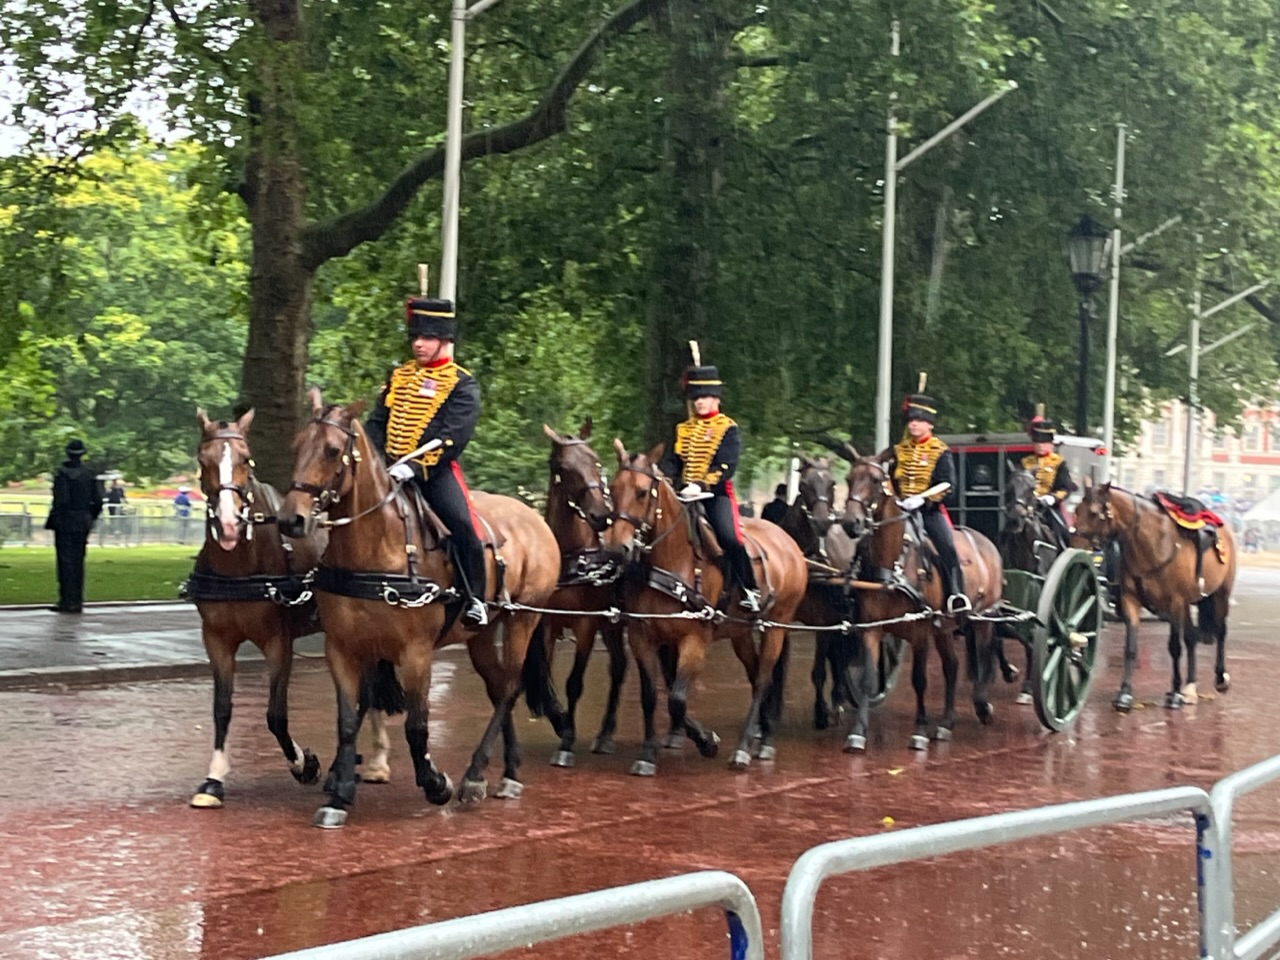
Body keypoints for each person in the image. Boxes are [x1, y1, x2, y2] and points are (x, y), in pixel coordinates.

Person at [365, 295, 488, 627]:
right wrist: (374, 461)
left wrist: (414, 467)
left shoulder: (461, 384)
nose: (419, 344)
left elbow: (453, 437)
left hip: (434, 473)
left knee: (462, 525)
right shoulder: (399, 377)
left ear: (445, 340)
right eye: (416, 337)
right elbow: (376, 424)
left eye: (428, 337)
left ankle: (475, 598)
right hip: (388, 470)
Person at [657, 346, 761, 612]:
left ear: (716, 398)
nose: (699, 402)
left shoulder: (727, 428)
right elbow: (674, 461)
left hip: (715, 495)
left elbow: (726, 465)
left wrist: (701, 484)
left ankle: (748, 589)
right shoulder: (683, 429)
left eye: (704, 396)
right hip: (683, 495)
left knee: (728, 537)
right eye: (695, 397)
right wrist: (663, 475)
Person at [883, 385, 969, 616]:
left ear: (930, 424)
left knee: (947, 548)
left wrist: (922, 499)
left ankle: (956, 594)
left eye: (919, 420)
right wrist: (895, 499)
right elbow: (890, 480)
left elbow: (947, 484)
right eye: (911, 420)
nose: (914, 424)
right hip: (900, 510)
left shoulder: (940, 451)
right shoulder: (899, 450)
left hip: (928, 511)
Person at [44, 438, 104, 613]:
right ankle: (77, 600)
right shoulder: (89, 474)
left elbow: (61, 500)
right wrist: (89, 517)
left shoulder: (62, 474)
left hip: (65, 520)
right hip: (83, 520)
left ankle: (66, 600)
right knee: (78, 561)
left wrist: (56, 517)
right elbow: (98, 501)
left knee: (65, 562)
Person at [1021, 414, 1075, 549]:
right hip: (1027, 505)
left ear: (1050, 444)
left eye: (1043, 442)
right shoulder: (1026, 462)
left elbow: (1065, 488)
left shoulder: (1058, 462)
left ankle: (1064, 550)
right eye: (1037, 442)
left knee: (1061, 530)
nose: (1039, 445)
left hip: (1048, 506)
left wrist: (1051, 498)